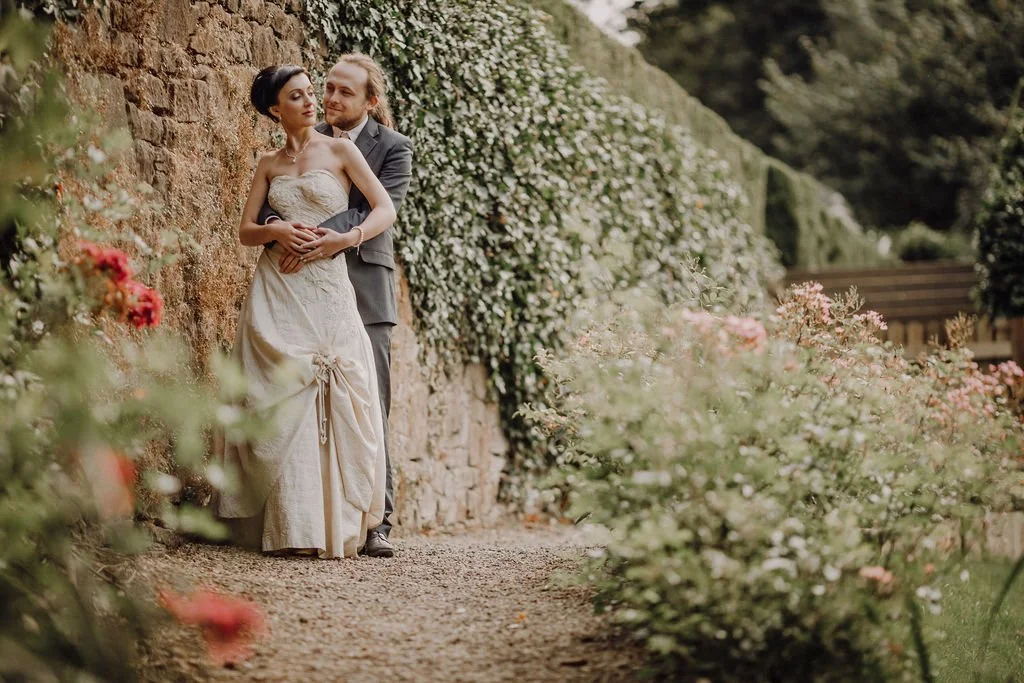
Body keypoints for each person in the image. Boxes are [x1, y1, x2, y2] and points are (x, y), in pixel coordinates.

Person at [216, 64, 396, 559]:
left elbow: (384, 209)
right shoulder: (268, 164)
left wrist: (346, 237)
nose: (313, 102)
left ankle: (334, 525)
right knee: (281, 386)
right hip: (278, 286)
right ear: (277, 109)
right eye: (298, 97)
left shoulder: (340, 149)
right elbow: (245, 230)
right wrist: (275, 232)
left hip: (328, 284)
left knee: (335, 384)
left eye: (311, 93)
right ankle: (288, 524)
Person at [258, 54, 413, 558]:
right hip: (299, 282)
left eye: (345, 92)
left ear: (371, 100)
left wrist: (329, 238)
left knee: (367, 399)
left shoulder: (391, 148)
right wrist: (286, 237)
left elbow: (374, 206)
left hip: (362, 284)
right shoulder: (301, 137)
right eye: (328, 89)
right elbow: (268, 209)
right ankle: (306, 513)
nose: (330, 99)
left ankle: (375, 522)